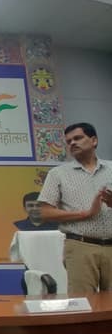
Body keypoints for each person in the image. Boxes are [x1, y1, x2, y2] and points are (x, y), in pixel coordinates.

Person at [38, 122, 112, 293]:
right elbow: (44, 212)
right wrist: (86, 213)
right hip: (80, 245)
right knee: (83, 302)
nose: (72, 143)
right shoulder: (58, 174)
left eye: (78, 138)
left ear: (94, 140)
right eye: (69, 141)